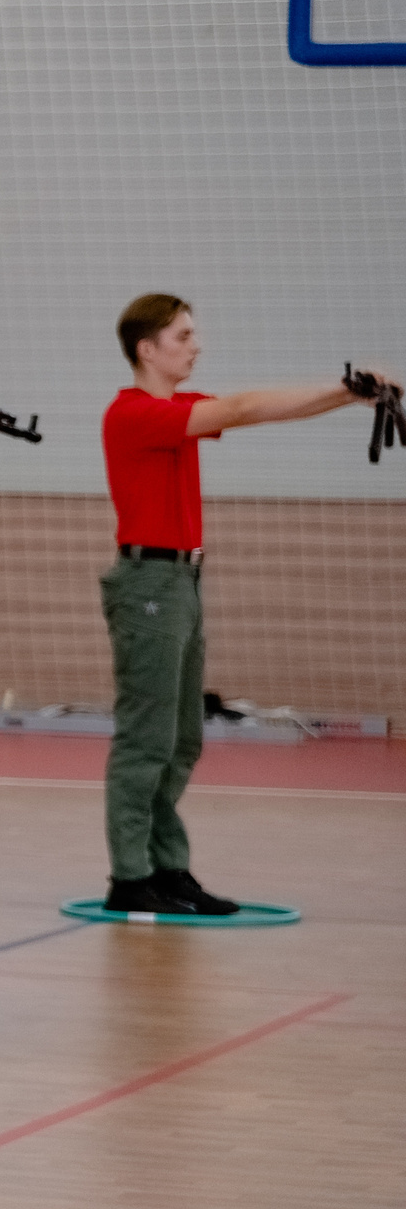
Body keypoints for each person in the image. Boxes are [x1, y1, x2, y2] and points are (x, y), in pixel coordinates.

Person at [97, 295, 384, 916]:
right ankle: (130, 874)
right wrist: (341, 385)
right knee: (147, 737)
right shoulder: (132, 414)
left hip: (182, 581)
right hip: (148, 582)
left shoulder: (180, 409)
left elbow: (263, 410)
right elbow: (248, 406)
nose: (196, 345)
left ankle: (166, 867)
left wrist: (347, 396)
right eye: (183, 335)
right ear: (148, 349)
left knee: (181, 736)